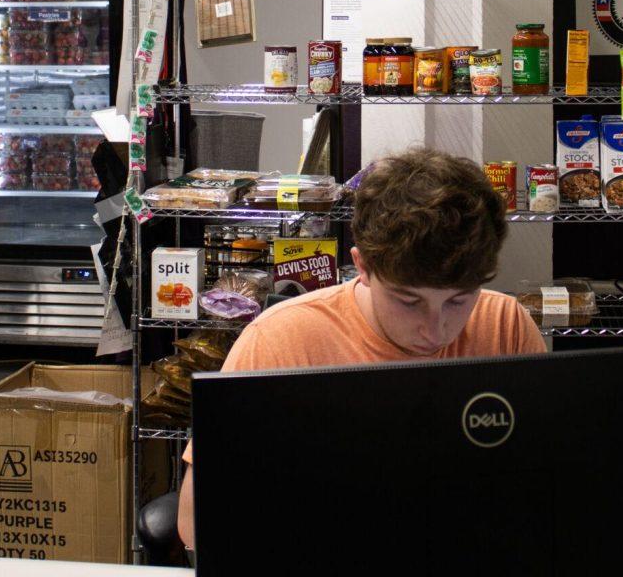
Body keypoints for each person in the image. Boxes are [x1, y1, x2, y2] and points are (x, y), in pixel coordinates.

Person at [176, 148, 547, 549]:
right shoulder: (280, 341)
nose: (436, 330)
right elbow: (196, 522)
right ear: (363, 266)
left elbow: (551, 485)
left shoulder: (505, 325)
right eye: (409, 301)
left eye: (459, 300)